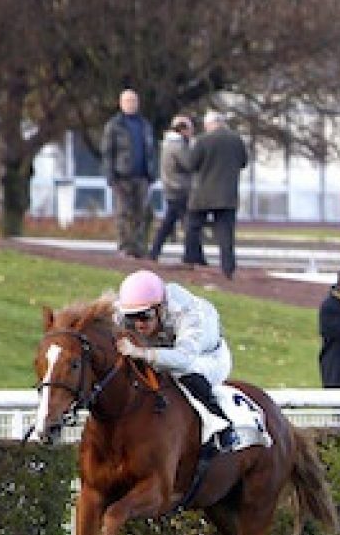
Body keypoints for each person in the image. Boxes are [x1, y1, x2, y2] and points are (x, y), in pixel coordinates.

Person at [113, 268, 266, 454]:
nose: (138, 324)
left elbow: (183, 359)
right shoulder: (133, 306)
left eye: (145, 316)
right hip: (167, 348)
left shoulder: (189, 314)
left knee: (180, 371)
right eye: (132, 317)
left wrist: (141, 352)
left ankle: (220, 424)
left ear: (160, 309)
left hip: (208, 358)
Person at [182, 110, 248, 278]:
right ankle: (228, 268)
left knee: (193, 226)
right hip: (227, 194)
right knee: (226, 233)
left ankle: (191, 259)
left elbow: (191, 164)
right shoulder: (236, 140)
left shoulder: (203, 140)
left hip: (204, 193)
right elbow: (243, 162)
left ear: (208, 124)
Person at [101, 89, 155, 259]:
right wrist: (110, 176)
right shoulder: (114, 125)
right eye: (128, 101)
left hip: (142, 176)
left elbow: (151, 150)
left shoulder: (144, 125)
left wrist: (152, 172)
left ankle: (139, 247)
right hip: (121, 176)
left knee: (141, 213)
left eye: (134, 100)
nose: (131, 104)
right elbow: (108, 152)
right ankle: (124, 247)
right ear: (121, 103)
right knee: (123, 213)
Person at [147, 114, 199, 264]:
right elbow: (189, 163)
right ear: (183, 129)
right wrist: (193, 148)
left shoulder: (169, 144)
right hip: (179, 188)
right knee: (189, 223)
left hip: (172, 188)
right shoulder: (178, 146)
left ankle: (155, 251)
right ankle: (191, 255)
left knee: (170, 222)